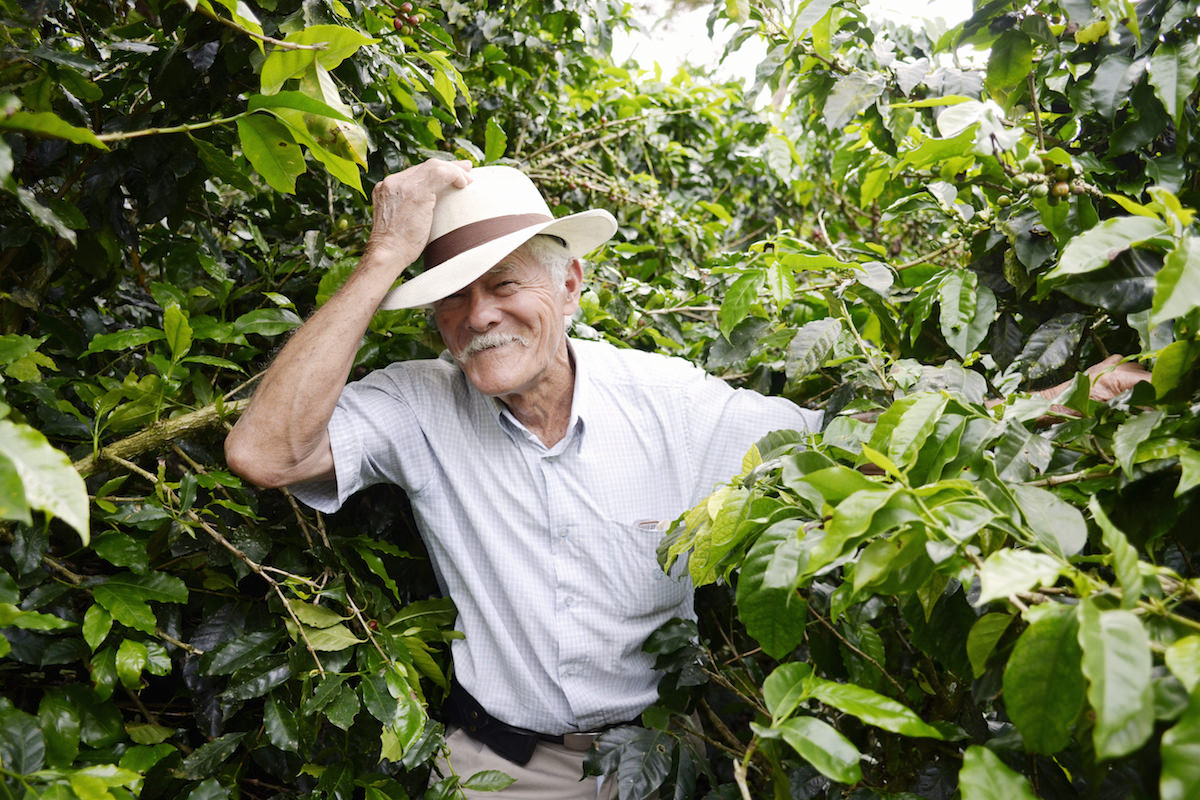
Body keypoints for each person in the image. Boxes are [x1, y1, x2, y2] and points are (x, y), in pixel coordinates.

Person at [224, 158, 822, 799]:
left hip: (658, 761)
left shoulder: (669, 401)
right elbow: (266, 455)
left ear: (569, 285)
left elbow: (835, 448)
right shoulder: (420, 405)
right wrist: (384, 256)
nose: (478, 316)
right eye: (453, 294)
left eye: (504, 284)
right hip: (497, 771)